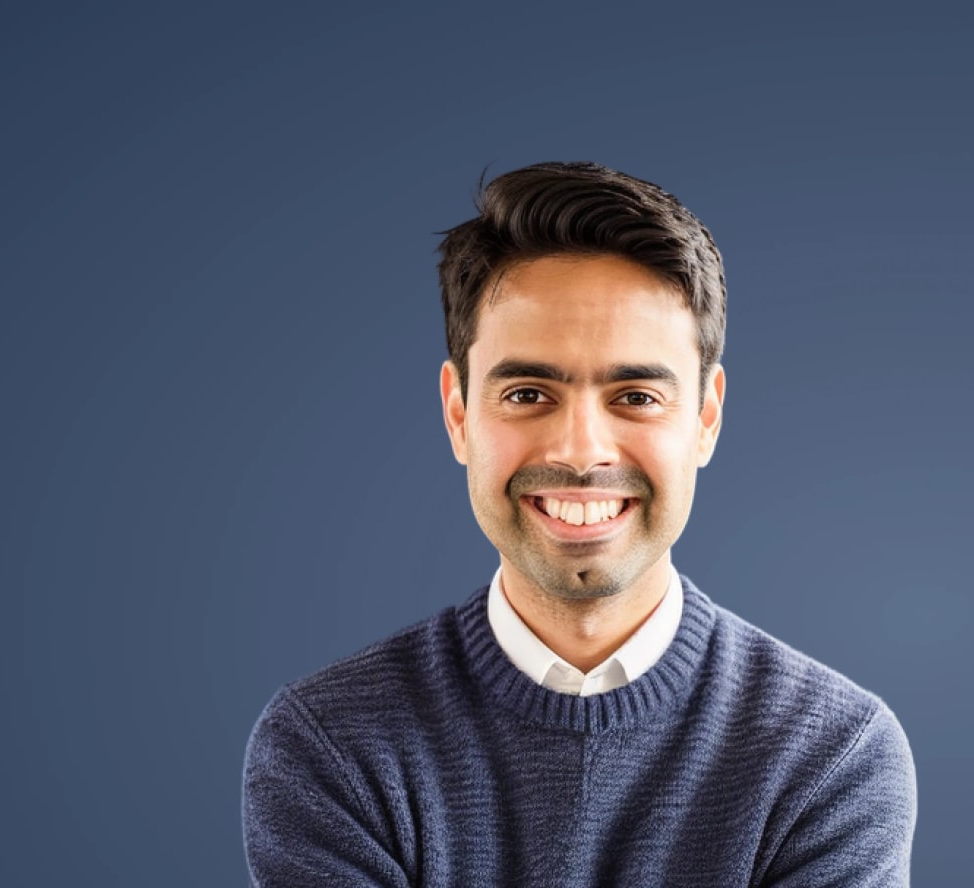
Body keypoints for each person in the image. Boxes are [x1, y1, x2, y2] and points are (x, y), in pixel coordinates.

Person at [241, 162, 917, 886]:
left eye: (636, 395)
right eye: (529, 392)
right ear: (459, 412)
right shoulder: (330, 745)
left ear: (706, 418)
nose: (580, 450)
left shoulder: (832, 754)